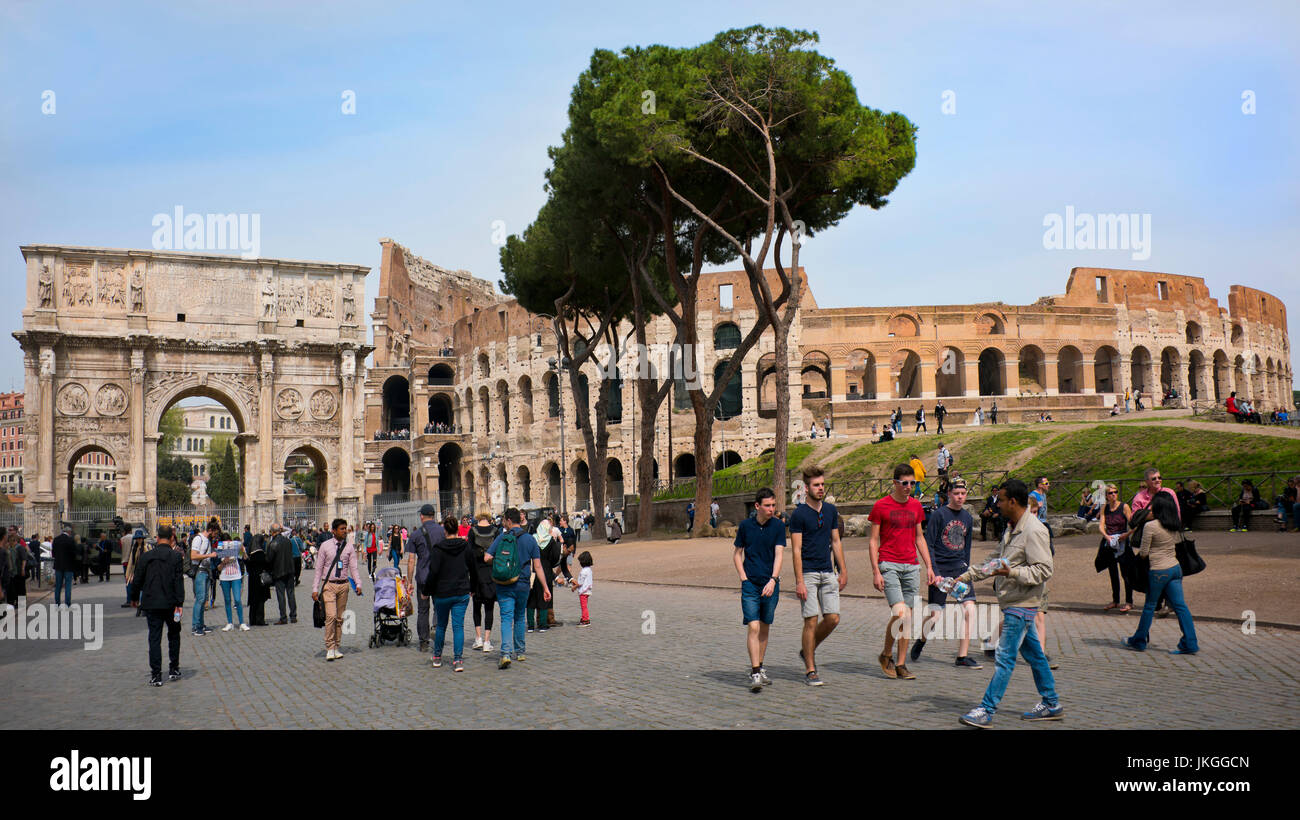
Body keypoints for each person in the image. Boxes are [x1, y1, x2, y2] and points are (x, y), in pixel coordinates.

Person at [955, 479, 1060, 727]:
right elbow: (997, 560)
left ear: (1012, 501)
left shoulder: (1034, 530)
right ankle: (1052, 702)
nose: (997, 504)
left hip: (1022, 603)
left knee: (1004, 657)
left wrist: (1011, 573)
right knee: (1035, 656)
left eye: (1000, 500)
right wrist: (968, 575)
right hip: (1013, 600)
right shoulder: (1012, 527)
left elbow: (1044, 570)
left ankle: (987, 709)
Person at [868, 463, 934, 681]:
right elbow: (873, 540)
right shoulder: (881, 506)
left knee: (908, 618)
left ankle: (901, 663)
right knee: (901, 614)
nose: (909, 487)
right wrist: (876, 571)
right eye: (905, 483)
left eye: (912, 483)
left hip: (912, 566)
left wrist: (929, 566)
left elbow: (919, 537)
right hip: (889, 564)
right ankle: (887, 653)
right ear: (895, 483)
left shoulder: (916, 506)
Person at [914, 478, 981, 668]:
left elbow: (967, 546)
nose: (960, 497)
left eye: (963, 494)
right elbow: (930, 544)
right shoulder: (939, 515)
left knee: (970, 609)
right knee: (935, 614)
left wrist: (966, 567)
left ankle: (962, 656)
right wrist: (933, 570)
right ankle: (922, 639)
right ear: (950, 494)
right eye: (957, 494)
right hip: (941, 570)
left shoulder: (967, 517)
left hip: (960, 569)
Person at [789, 466, 847, 687]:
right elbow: (796, 550)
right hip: (809, 574)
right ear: (806, 488)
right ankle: (810, 669)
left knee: (833, 619)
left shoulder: (831, 511)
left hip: (827, 571)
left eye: (822, 484)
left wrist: (843, 570)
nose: (821, 488)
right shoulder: (799, 514)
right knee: (811, 620)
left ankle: (807, 650)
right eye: (816, 485)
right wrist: (799, 581)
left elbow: (836, 542)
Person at [1124, 493, 1199, 655]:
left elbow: (1143, 552)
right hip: (1174, 568)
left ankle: (1139, 640)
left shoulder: (1151, 526)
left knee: (1150, 606)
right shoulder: (1175, 524)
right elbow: (1179, 544)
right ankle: (1190, 642)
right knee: (1180, 606)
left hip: (1158, 569)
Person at [733, 488, 785, 692]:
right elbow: (737, 554)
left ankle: (760, 666)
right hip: (751, 585)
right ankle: (755, 671)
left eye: (773, 505)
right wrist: (743, 578)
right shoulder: (745, 526)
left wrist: (773, 580)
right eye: (767, 505)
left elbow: (779, 555)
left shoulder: (779, 527)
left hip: (770, 583)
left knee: (764, 626)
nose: (772, 509)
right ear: (757, 506)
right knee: (753, 627)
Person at [485, 507, 549, 669]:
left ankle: (505, 653)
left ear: (507, 520)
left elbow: (487, 557)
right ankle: (520, 651)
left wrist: (500, 562)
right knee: (520, 617)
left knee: (506, 618)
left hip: (505, 583)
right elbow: (538, 566)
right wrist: (545, 587)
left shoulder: (502, 538)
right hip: (523, 584)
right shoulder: (530, 539)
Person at [130, 525, 186, 687]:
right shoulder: (175, 557)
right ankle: (174, 668)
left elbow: (137, 579)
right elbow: (178, 581)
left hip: (151, 602)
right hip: (170, 603)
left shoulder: (147, 557)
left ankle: (156, 675)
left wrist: (134, 598)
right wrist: (180, 603)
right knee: (174, 635)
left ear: (157, 537)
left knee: (154, 638)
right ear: (171, 538)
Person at [422, 517, 477, 672]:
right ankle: (458, 660)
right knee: (458, 627)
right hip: (461, 592)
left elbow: (433, 572)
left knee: (441, 626)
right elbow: (473, 569)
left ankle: (437, 657)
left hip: (442, 593)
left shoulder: (438, 549)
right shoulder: (466, 547)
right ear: (457, 530)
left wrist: (426, 591)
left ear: (445, 530)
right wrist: (473, 587)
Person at [312, 518, 363, 661]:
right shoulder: (325, 546)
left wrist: (358, 584)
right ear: (334, 531)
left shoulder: (349, 547)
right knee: (331, 616)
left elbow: (353, 567)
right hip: (329, 584)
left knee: (340, 618)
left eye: (345, 528)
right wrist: (315, 588)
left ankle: (336, 646)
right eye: (341, 529)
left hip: (343, 585)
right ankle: (329, 647)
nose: (344, 531)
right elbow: (318, 569)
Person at [405, 504, 445, 653]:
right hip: (439, 576)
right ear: (433, 516)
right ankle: (435, 626)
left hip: (423, 577)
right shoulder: (442, 531)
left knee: (423, 610)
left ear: (422, 516)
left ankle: (423, 641)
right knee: (439, 606)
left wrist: (409, 582)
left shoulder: (416, 534)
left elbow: (410, 560)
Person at [1096, 484, 1133, 613]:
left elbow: (1133, 524)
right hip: (1111, 542)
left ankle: (1129, 601)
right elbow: (1101, 525)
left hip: (1122, 542)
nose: (1113, 495)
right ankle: (1115, 600)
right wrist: (1106, 535)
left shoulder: (1124, 507)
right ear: (1106, 496)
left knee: (1126, 574)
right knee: (1113, 573)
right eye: (1110, 493)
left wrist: (1126, 535)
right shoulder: (1104, 508)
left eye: (1115, 492)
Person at [468, 512, 498, 652]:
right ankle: (487, 640)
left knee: (476, 606)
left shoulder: (472, 531)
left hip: (476, 572)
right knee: (489, 607)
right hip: (491, 571)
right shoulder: (495, 531)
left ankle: (478, 638)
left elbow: (469, 554)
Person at [189, 520, 219, 637]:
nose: (215, 536)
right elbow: (193, 556)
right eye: (215, 533)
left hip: (206, 571)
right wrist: (209, 555)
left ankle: (201, 624)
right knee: (200, 599)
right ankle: (195, 626)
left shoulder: (208, 540)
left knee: (204, 600)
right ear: (210, 530)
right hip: (200, 571)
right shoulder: (198, 539)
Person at [215, 531, 249, 632]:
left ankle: (242, 622)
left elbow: (245, 558)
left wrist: (243, 550)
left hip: (236, 576)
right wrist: (224, 562)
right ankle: (230, 623)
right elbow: (218, 568)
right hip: (225, 577)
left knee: (237, 599)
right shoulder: (220, 551)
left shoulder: (236, 548)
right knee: (227, 600)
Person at [267, 527, 297, 624]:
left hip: (279, 572)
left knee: (281, 595)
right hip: (290, 570)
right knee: (291, 594)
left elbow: (269, 559)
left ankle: (283, 617)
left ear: (273, 532)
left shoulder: (273, 543)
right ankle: (293, 616)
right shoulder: (288, 541)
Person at [245, 528, 272, 626]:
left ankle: (252, 620)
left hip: (252, 580)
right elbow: (268, 566)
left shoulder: (250, 556)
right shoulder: (262, 555)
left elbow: (247, 568)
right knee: (261, 600)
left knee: (253, 600)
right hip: (261, 580)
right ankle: (260, 619)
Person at [51, 524, 77, 607]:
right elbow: (74, 553)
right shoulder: (70, 540)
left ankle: (57, 603)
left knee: (58, 585)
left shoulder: (56, 539)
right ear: (69, 532)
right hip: (69, 566)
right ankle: (67, 603)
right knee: (68, 585)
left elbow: (53, 553)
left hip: (58, 565)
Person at [575, 551, 594, 626]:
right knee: (585, 605)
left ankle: (585, 619)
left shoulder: (583, 571)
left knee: (583, 606)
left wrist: (574, 587)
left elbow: (580, 582)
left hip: (583, 591)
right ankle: (584, 618)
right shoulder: (589, 570)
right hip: (588, 590)